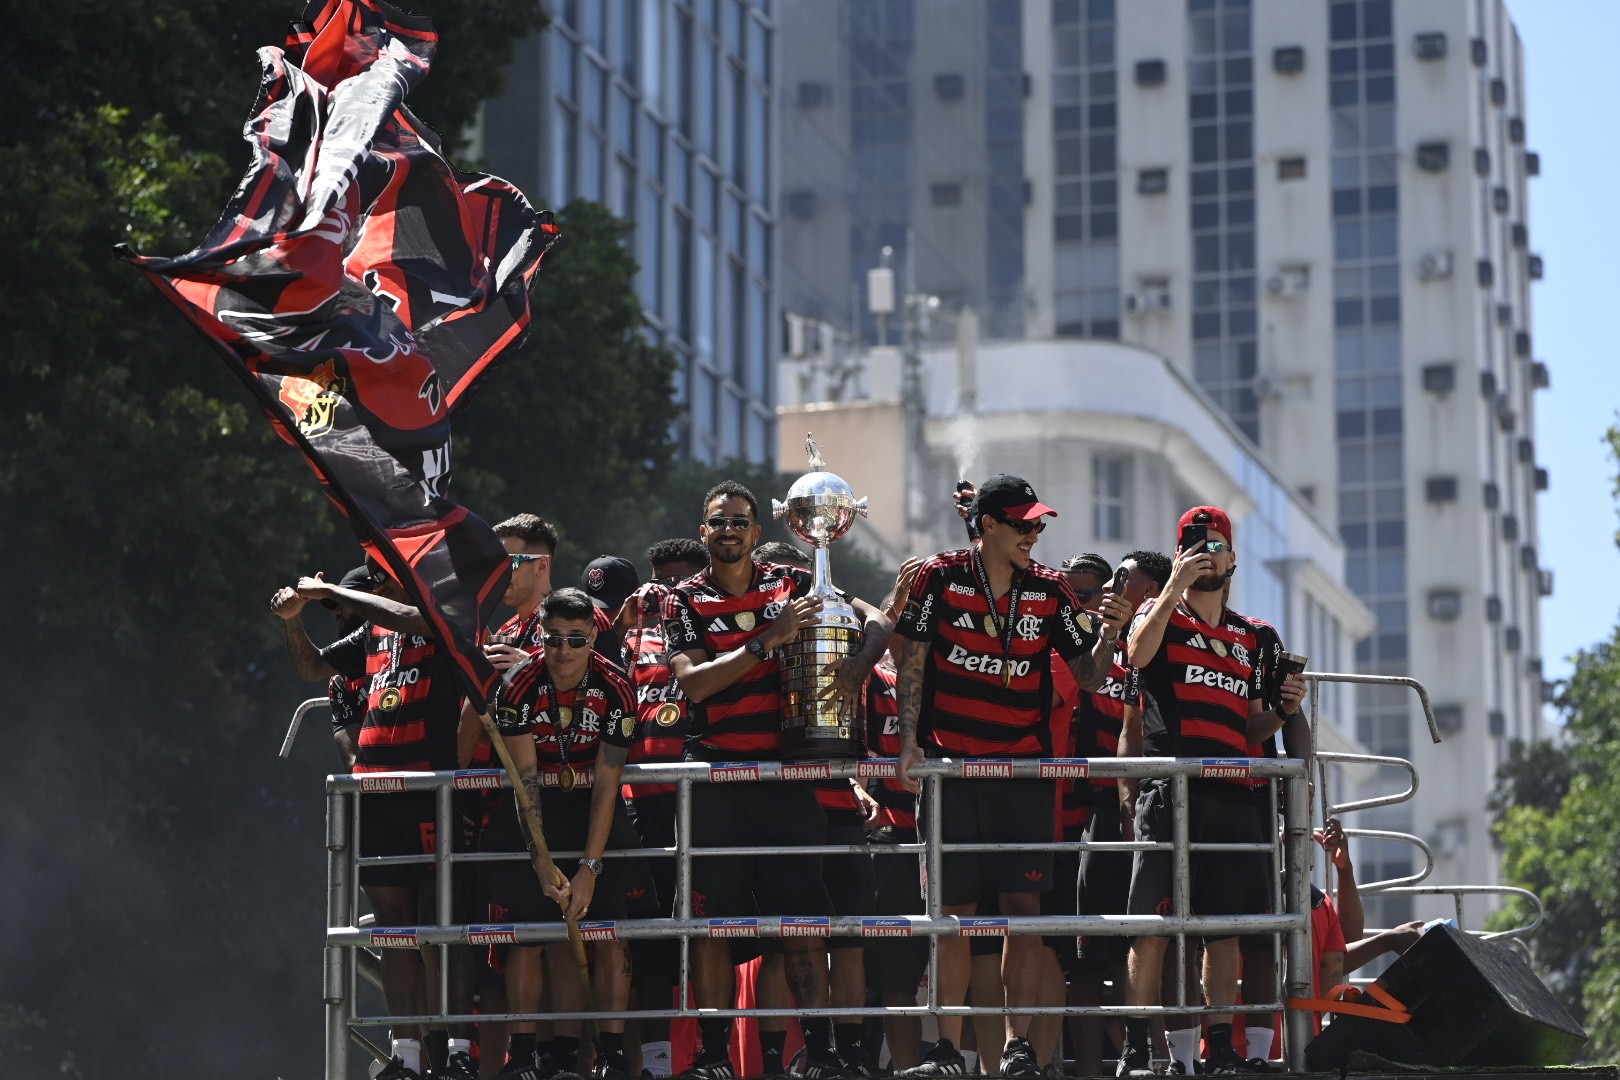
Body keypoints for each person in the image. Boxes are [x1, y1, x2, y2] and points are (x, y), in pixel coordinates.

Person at [893, 474, 1130, 1079]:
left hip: (1024, 771)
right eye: (1023, 524)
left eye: (1038, 524)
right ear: (988, 525)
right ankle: (946, 1049)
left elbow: (1092, 675)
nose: (1034, 533)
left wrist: (1110, 632)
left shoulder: (1051, 590)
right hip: (952, 768)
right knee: (952, 912)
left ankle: (1017, 1043)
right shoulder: (938, 576)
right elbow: (913, 661)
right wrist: (907, 744)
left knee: (1023, 908)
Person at [666, 480, 893, 1080]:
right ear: (702, 528)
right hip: (715, 773)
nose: (729, 530)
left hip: (785, 777)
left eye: (740, 521)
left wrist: (856, 667)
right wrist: (767, 641)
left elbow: (879, 619)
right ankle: (713, 1058)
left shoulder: (790, 585)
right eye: (718, 521)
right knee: (714, 926)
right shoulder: (680, 599)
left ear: (757, 532)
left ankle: (819, 1055)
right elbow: (693, 685)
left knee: (802, 926)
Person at [1115, 507, 1308, 1077]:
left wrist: (1282, 710)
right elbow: (1136, 654)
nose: (1207, 554)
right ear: (1179, 554)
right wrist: (1173, 584)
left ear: (1233, 559)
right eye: (1194, 545)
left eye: (1217, 545)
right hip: (1169, 790)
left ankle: (1221, 1047)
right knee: (1151, 927)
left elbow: (1250, 727)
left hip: (1234, 792)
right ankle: (1134, 1049)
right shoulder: (1160, 612)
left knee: (1224, 932)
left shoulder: (1251, 634)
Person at [271, 559, 480, 1080]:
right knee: (393, 930)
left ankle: (457, 1051)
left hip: (432, 791)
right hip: (377, 798)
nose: (372, 581)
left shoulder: (442, 613)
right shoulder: (371, 633)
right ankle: (405, 1057)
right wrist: (294, 619)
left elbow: (413, 618)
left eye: (380, 571)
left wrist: (327, 590)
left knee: (444, 924)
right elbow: (314, 668)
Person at [488, 587, 658, 1080]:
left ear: (593, 639)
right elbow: (525, 780)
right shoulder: (517, 687)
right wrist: (541, 863)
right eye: (554, 638)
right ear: (540, 634)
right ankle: (521, 1059)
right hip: (536, 810)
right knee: (526, 934)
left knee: (612, 936)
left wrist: (589, 868)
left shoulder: (618, 688)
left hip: (594, 810)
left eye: (576, 640)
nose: (563, 651)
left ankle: (613, 1054)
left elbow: (607, 786)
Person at [1068, 551, 1171, 1077]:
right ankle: (1088, 1070)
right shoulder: (1086, 639)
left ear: (1154, 586)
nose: (1110, 589)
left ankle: (1165, 1060)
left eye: (1121, 579)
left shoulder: (1169, 645)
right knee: (1087, 957)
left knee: (1156, 941)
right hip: (1096, 811)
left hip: (1155, 808)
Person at [617, 538, 710, 1079]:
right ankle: (652, 1064)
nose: (666, 590)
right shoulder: (630, 635)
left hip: (700, 803)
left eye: (679, 580)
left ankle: (709, 1056)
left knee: (705, 942)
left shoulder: (708, 629)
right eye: (659, 579)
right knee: (644, 943)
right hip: (638, 808)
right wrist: (621, 622)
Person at [314, 564, 378, 770]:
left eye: (345, 600)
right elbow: (354, 765)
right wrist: (290, 619)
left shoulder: (412, 644)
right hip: (382, 790)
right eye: (335, 604)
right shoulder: (340, 681)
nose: (337, 611)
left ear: (376, 597)